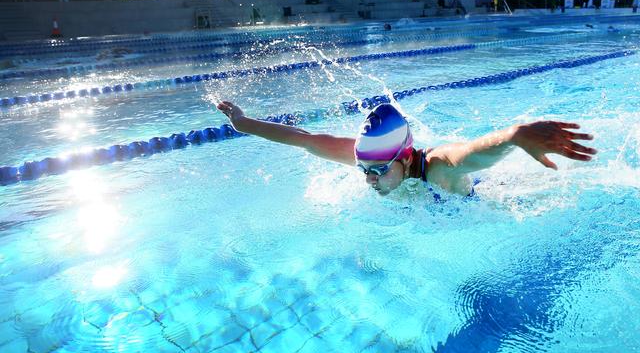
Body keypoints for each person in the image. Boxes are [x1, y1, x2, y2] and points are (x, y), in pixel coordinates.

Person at [217, 101, 596, 197]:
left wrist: (514, 136)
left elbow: (470, 153)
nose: (367, 178)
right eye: (363, 169)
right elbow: (305, 139)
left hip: (482, 201)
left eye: (377, 171)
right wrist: (244, 124)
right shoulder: (374, 160)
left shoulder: (436, 167)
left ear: (404, 157)